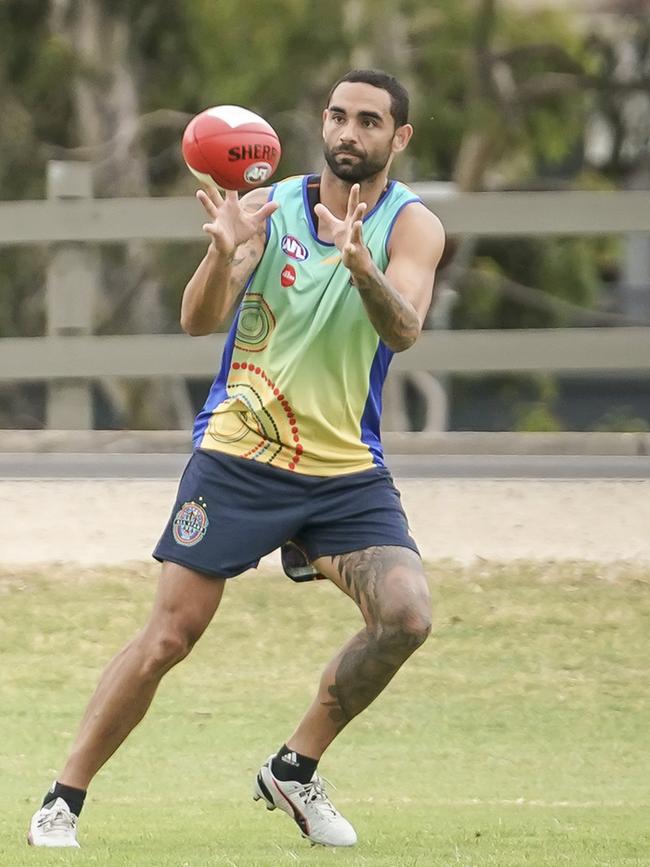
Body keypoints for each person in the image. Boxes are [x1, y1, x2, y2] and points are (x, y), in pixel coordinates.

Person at [28, 68, 445, 849]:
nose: (348, 133)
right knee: (168, 637)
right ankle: (62, 797)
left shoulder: (413, 227)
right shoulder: (269, 205)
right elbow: (197, 321)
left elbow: (405, 329)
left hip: (343, 466)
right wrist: (222, 256)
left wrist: (361, 264)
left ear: (400, 138)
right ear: (321, 122)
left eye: (368, 121)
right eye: (337, 116)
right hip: (240, 454)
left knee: (406, 615)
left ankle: (294, 765)